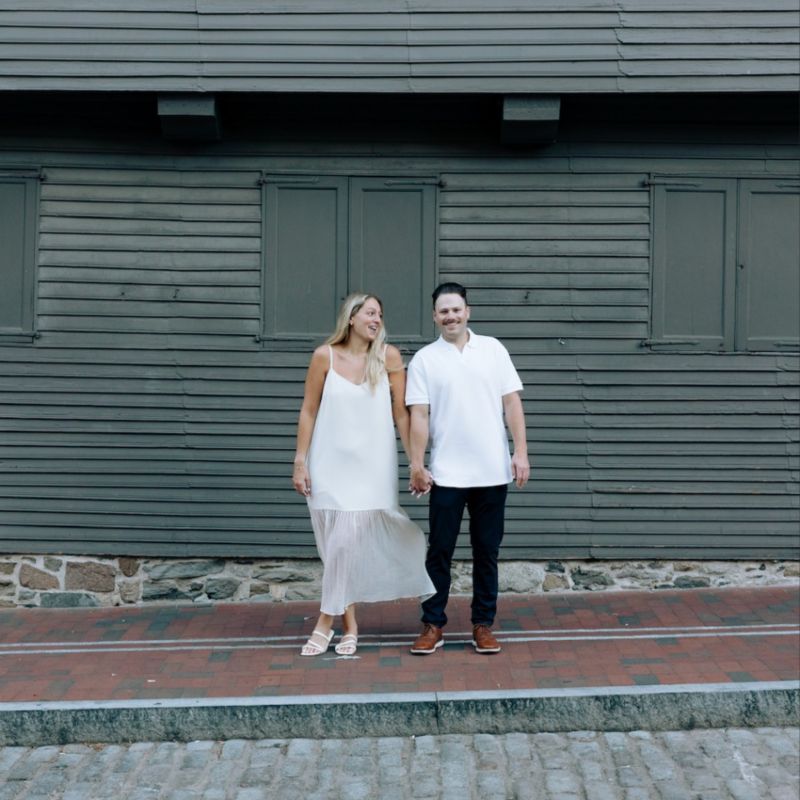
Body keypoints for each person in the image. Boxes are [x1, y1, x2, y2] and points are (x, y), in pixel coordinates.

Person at [292, 293, 435, 657]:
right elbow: (309, 410)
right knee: (338, 548)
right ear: (351, 317)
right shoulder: (324, 356)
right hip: (329, 464)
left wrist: (415, 463)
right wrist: (300, 461)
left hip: (372, 467)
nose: (377, 319)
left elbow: (401, 414)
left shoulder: (388, 357)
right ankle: (351, 626)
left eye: (380, 315)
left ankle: (325, 622)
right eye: (370, 313)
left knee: (345, 544)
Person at [406, 282, 530, 655]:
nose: (451, 316)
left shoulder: (493, 349)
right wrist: (417, 464)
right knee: (439, 552)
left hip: (492, 470)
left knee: (486, 551)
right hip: (446, 473)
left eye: (456, 309)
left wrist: (521, 452)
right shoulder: (425, 359)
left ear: (467, 311)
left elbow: (512, 403)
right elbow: (419, 415)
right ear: (434, 316)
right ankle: (433, 624)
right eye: (444, 311)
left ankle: (482, 625)